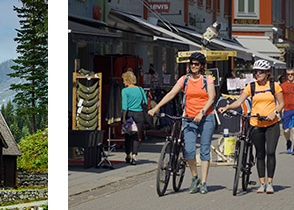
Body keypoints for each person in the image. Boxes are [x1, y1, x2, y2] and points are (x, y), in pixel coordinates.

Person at [148, 52, 217, 194]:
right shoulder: (184, 79)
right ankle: (195, 177)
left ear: (202, 66)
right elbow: (171, 93)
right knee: (189, 150)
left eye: (196, 64)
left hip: (206, 117)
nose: (193, 66)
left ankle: (203, 182)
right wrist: (156, 107)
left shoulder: (207, 79)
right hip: (189, 118)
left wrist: (201, 112)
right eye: (191, 63)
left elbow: (212, 98)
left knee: (204, 150)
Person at [220, 59, 284, 193]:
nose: (257, 74)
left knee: (270, 152)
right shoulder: (251, 87)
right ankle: (262, 183)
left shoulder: (275, 86)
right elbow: (239, 101)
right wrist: (227, 107)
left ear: (267, 72)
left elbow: (282, 103)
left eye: (260, 72)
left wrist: (274, 113)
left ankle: (270, 182)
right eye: (255, 72)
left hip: (272, 124)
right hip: (256, 124)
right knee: (260, 154)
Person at [121, 70, 150, 165]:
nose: (123, 82)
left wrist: (124, 118)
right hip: (139, 114)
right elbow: (145, 102)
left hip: (129, 115)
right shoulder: (140, 89)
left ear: (127, 80)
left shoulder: (125, 91)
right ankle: (134, 156)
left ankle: (128, 155)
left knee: (128, 135)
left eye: (124, 80)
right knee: (136, 136)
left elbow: (124, 106)